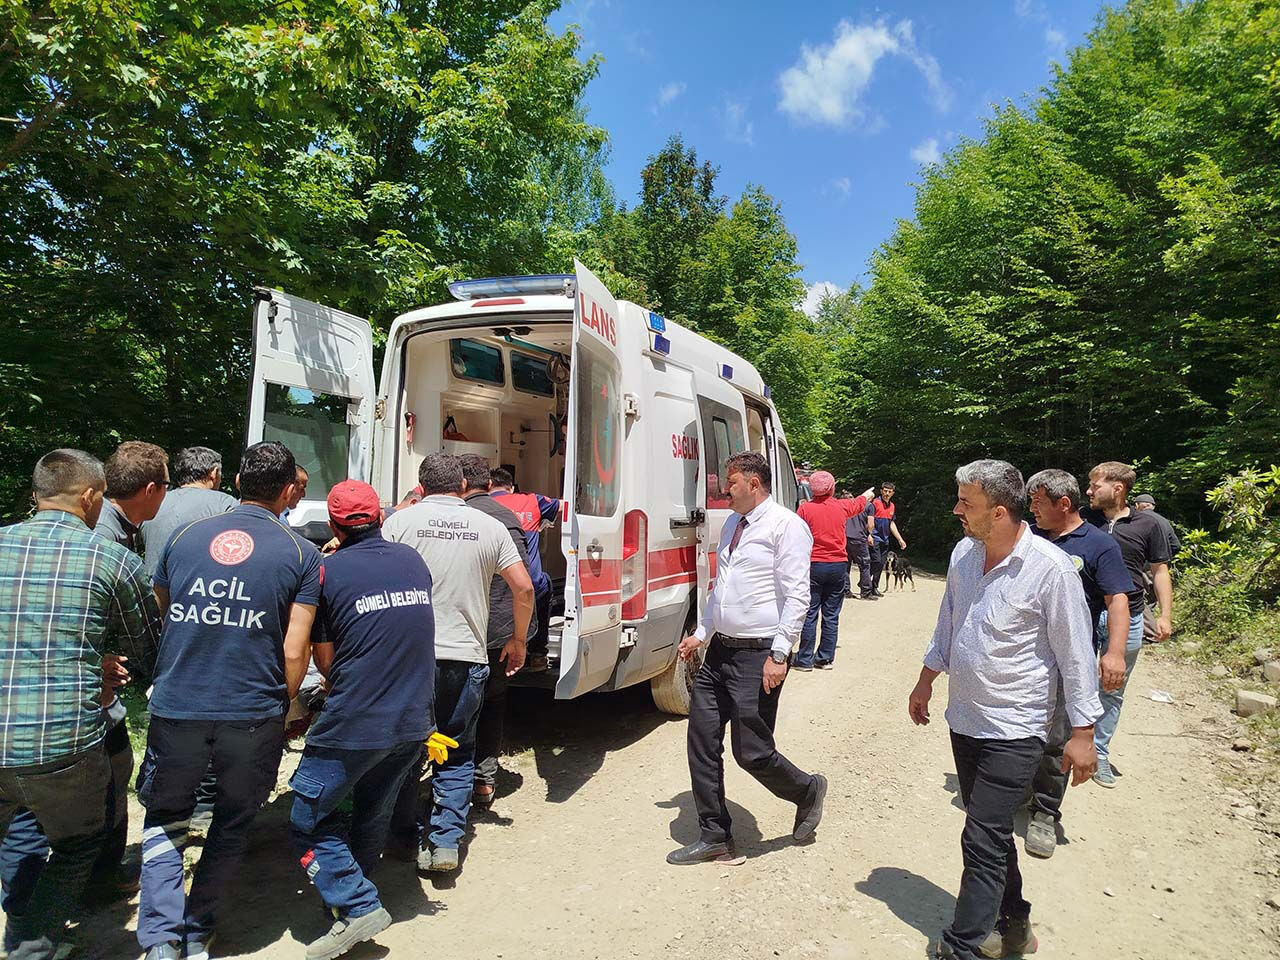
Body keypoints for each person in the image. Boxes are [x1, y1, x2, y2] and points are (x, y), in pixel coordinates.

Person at [909, 460, 1100, 960]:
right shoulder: (963, 555)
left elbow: (1076, 653)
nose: (956, 510)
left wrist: (1083, 732)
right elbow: (949, 621)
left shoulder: (1050, 569)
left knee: (980, 835)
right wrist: (927, 679)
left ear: (998, 511)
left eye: (965, 503)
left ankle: (962, 946)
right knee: (989, 832)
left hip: (1017, 726)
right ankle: (1014, 926)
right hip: (966, 719)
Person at [137, 441, 320, 960]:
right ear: (289, 492)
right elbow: (295, 648)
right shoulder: (302, 553)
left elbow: (165, 614)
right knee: (234, 817)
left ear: (236, 480)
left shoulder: (184, 537)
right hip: (251, 710)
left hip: (177, 703)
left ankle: (159, 940)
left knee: (166, 816)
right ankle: (198, 928)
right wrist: (283, 706)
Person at [0, 449, 160, 959]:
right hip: (62, 743)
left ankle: (23, 917)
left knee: (23, 828)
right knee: (77, 844)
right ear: (92, 497)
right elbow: (150, 651)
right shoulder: (111, 559)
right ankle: (32, 944)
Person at [289, 480, 438, 960]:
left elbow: (327, 661)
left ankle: (355, 905)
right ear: (380, 518)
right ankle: (357, 892)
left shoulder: (328, 573)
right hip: (415, 716)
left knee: (307, 815)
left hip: (356, 719)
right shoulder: (412, 561)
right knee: (373, 807)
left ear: (333, 525)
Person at [667, 452, 828, 866]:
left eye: (732, 483)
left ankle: (806, 790)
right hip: (720, 651)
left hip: (760, 656)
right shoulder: (733, 524)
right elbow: (720, 588)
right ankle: (715, 834)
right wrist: (701, 633)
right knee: (701, 741)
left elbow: (797, 594)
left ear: (754, 484)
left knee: (752, 752)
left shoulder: (786, 526)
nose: (725, 490)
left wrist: (780, 652)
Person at [383, 455, 533, 873]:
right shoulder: (491, 527)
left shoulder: (400, 523)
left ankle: (402, 837)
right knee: (457, 749)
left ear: (421, 484)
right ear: (464, 484)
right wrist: (518, 639)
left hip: (411, 658)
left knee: (407, 749)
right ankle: (446, 841)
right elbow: (523, 588)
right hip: (466, 656)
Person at [1024, 469, 1136, 859]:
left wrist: (1115, 651)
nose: (1032, 511)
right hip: (1023, 658)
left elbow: (1117, 600)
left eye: (1038, 504)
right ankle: (1014, 789)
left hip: (1069, 658)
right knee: (1019, 728)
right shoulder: (1028, 538)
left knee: (1058, 737)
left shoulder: (1097, 544)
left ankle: (1044, 811)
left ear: (1064, 504)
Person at [1084, 461, 1173, 788]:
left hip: (1131, 616)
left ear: (1117, 488)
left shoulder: (1148, 525)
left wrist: (1164, 615)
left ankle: (1100, 753)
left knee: (1112, 687)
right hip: (1085, 613)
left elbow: (1160, 571)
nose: (1089, 491)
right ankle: (1063, 746)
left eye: (1096, 485)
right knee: (1069, 680)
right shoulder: (1083, 518)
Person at [458, 456, 533, 810]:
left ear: (459, 485)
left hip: (462, 632)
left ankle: (451, 786)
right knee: (492, 705)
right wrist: (518, 636)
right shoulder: (507, 517)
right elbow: (524, 585)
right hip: (499, 633)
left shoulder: (455, 518)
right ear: (489, 484)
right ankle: (484, 782)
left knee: (455, 710)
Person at [794, 474, 873, 670]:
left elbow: (794, 534)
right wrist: (867, 495)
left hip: (813, 565)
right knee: (831, 614)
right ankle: (825, 658)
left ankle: (804, 659)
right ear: (832, 488)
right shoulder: (841, 506)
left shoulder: (804, 509)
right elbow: (858, 504)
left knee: (810, 612)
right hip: (838, 565)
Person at [488, 469, 560, 673]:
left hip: (495, 582)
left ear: (489, 485)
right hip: (530, 582)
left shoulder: (483, 506)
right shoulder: (531, 501)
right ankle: (537, 654)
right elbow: (565, 506)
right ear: (511, 487)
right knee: (543, 585)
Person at [141, 446, 237, 579]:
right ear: (213, 473)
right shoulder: (225, 503)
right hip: (198, 591)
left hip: (152, 592)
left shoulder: (154, 502)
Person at [869, 481, 907, 596]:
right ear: (881, 491)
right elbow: (869, 520)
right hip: (874, 537)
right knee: (875, 561)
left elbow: (891, 524)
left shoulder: (892, 506)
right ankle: (865, 583)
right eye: (885, 491)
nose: (887, 493)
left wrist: (900, 539)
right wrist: (868, 534)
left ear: (892, 493)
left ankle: (874, 587)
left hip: (885, 539)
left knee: (881, 564)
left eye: (889, 492)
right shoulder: (875, 503)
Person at [843, 492, 876, 601]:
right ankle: (865, 592)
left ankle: (845, 591)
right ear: (870, 498)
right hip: (859, 538)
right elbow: (871, 524)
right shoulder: (869, 506)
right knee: (864, 565)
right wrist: (869, 534)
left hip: (845, 537)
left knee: (845, 565)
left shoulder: (846, 505)